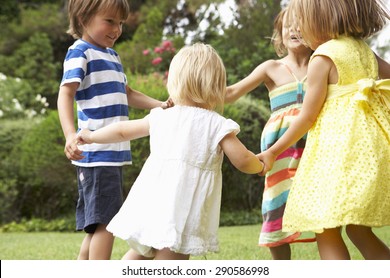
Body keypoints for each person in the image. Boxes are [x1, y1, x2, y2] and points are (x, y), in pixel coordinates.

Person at [76, 43, 265, 260]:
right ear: (216, 86)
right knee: (171, 257)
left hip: (152, 202)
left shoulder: (161, 116)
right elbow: (242, 160)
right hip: (180, 210)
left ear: (175, 82)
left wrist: (91, 136)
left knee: (142, 253)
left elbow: (121, 131)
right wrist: (260, 165)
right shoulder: (216, 125)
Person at [258, 0, 390, 260]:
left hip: (338, 155)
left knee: (327, 230)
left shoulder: (323, 57)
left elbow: (306, 117)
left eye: (303, 21)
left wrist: (273, 151)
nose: (300, 30)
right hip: (369, 152)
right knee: (358, 229)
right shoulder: (364, 51)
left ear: (320, 19)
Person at [57, 0, 171, 260]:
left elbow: (127, 93)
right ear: (84, 18)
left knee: (98, 225)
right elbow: (65, 93)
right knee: (107, 223)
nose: (117, 29)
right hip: (98, 152)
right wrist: (69, 135)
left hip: (111, 154)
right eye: (109, 21)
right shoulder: (81, 51)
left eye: (120, 23)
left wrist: (161, 106)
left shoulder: (112, 56)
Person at [225, 8, 315, 260]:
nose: (294, 30)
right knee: (276, 203)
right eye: (289, 26)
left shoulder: (323, 64)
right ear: (279, 35)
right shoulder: (271, 68)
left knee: (322, 203)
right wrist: (192, 94)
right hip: (279, 149)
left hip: (316, 144)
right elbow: (231, 93)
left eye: (301, 24)